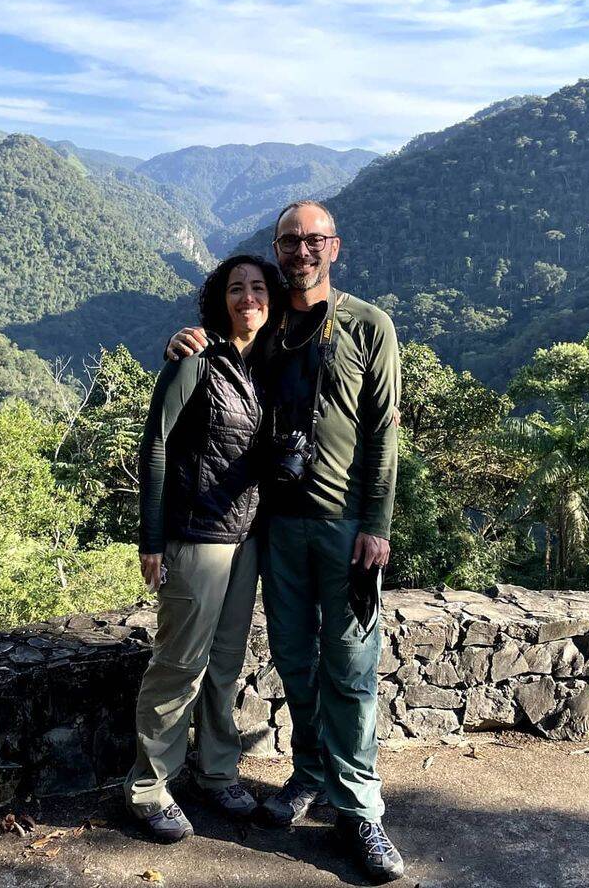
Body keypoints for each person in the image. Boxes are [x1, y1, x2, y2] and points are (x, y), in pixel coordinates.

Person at [166, 201, 405, 883]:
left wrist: (378, 525)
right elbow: (219, 354)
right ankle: (309, 773)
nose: (300, 251)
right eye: (288, 242)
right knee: (296, 661)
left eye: (312, 240)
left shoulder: (368, 325)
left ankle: (360, 810)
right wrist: (184, 342)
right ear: (277, 250)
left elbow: (386, 430)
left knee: (353, 668)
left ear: (335, 246)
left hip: (346, 527)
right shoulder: (268, 326)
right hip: (276, 526)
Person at [125, 254, 285, 842]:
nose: (249, 298)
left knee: (224, 666)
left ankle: (217, 774)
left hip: (247, 539)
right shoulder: (195, 358)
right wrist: (151, 538)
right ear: (220, 300)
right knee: (179, 664)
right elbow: (157, 444)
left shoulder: (268, 363)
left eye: (259, 288)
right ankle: (148, 788)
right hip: (196, 537)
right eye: (237, 289)